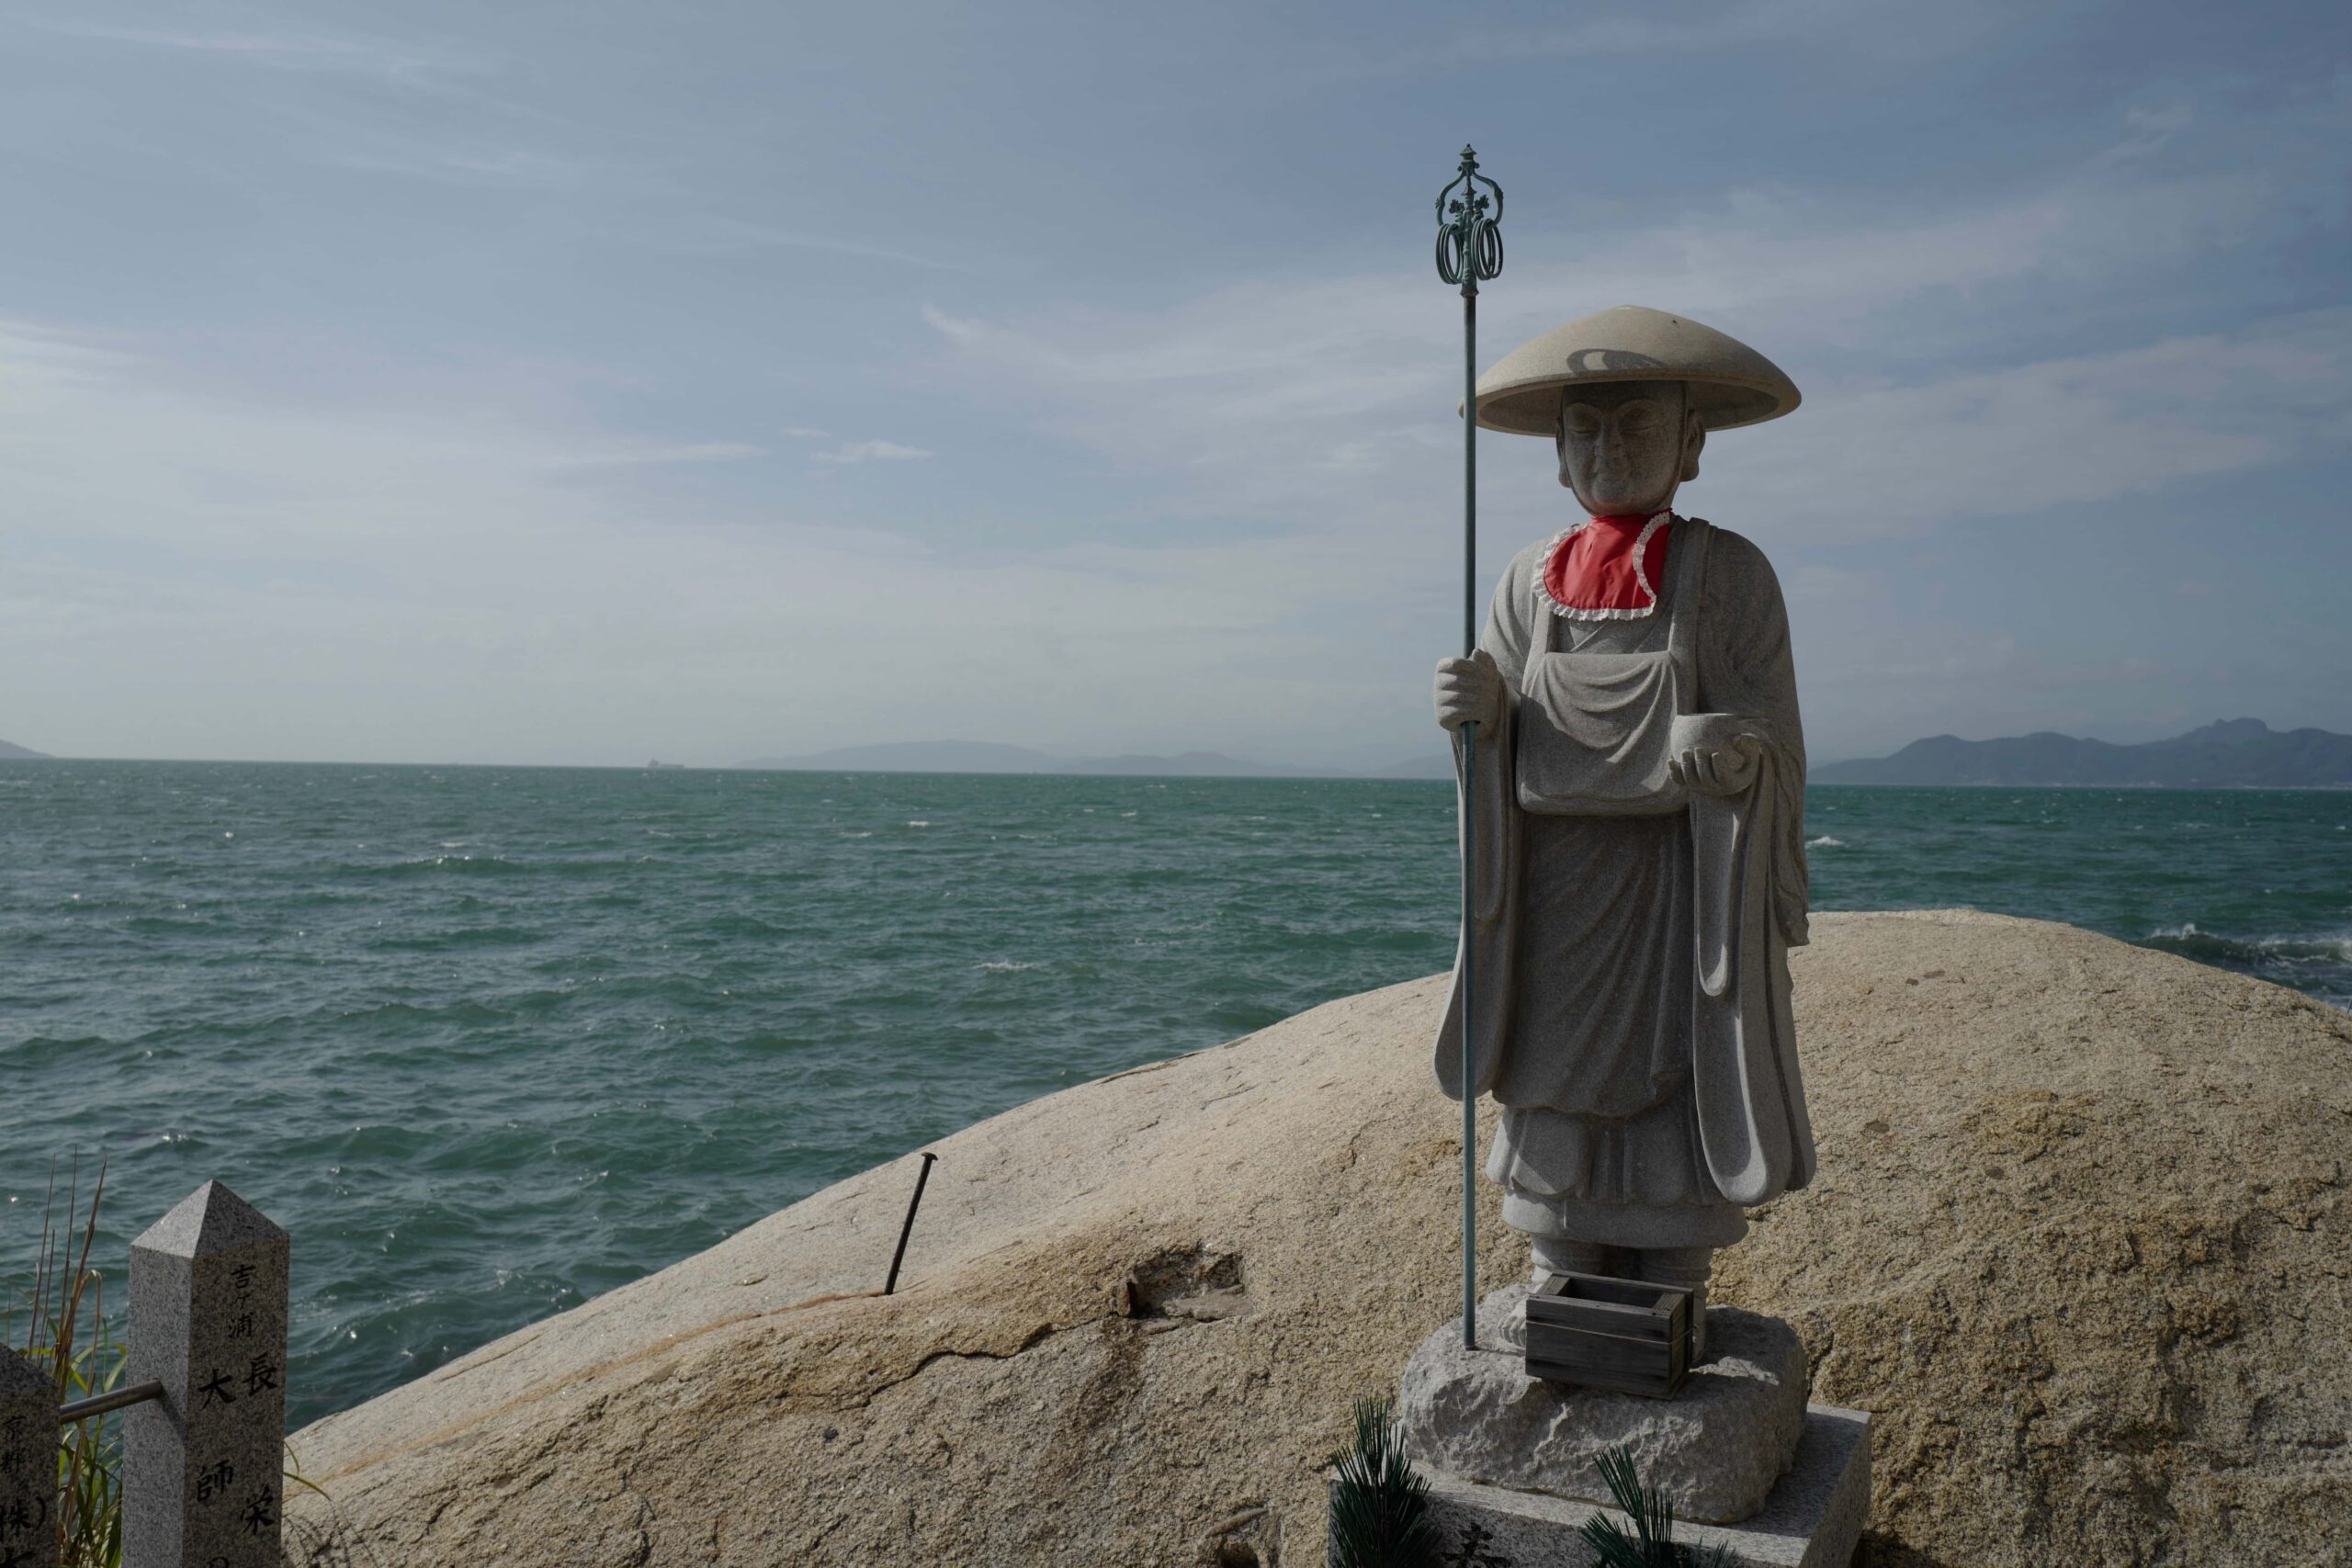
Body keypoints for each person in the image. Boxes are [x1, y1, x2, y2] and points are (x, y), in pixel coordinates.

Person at [1430, 306, 1816, 1356]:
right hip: (1553, 897)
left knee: (1676, 1088)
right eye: (1586, 432)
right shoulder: (1523, 581)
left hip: (1677, 898)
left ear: (1690, 445)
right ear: (1556, 456)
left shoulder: (1728, 574)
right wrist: (1479, 718)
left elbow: (1771, 732)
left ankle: (1670, 1283)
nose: (1609, 451)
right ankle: (1563, 1272)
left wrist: (1734, 756)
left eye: (1637, 427)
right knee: (1551, 1093)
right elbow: (1496, 740)